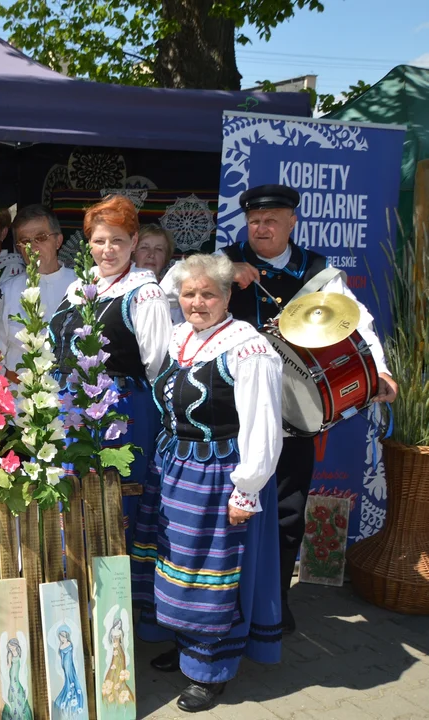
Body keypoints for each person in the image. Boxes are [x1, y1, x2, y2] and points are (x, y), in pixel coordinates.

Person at [220, 183, 397, 634]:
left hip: (291, 412)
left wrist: (378, 371)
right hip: (230, 409)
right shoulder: (221, 260)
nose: (262, 228)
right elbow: (176, 293)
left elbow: (357, 323)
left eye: (272, 220)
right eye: (255, 220)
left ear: (292, 221)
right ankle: (222, 608)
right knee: (226, 507)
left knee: (286, 509)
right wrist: (227, 270)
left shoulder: (317, 272)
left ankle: (274, 604)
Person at [131, 253, 284, 712]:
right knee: (173, 561)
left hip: (219, 474)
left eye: (208, 293)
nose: (197, 302)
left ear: (228, 295)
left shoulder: (248, 348)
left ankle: (211, 671)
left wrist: (247, 488)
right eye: (189, 293)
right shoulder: (180, 336)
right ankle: (185, 647)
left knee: (210, 573)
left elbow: (263, 423)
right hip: (173, 467)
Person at [50, 194, 172, 531]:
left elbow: (157, 364)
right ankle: (72, 579)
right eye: (100, 240)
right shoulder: (78, 287)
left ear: (133, 242)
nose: (108, 249)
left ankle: (113, 583)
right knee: (67, 504)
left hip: (119, 414)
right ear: (88, 243)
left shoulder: (145, 292)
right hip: (69, 410)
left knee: (112, 507)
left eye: (117, 240)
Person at [0, 204, 76, 381]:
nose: (33, 247)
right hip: (19, 397)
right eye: (25, 241)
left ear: (58, 241)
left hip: (71, 397)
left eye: (41, 237)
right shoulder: (5, 292)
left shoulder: (82, 285)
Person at [54, 628, 85, 716]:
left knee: (73, 680)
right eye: (60, 637)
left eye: (63, 637)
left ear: (66, 636)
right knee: (68, 680)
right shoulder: (60, 646)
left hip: (70, 665)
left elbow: (70, 656)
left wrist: (69, 664)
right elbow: (62, 657)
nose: (61, 639)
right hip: (65, 665)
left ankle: (75, 697)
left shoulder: (69, 644)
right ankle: (68, 698)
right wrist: (63, 666)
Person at [3, 637, 33, 720]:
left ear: (16, 645)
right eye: (9, 647)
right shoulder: (10, 654)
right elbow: (9, 665)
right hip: (13, 673)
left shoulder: (19, 652)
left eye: (12, 646)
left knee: (19, 688)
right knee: (14, 687)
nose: (11, 648)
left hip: (18, 673)